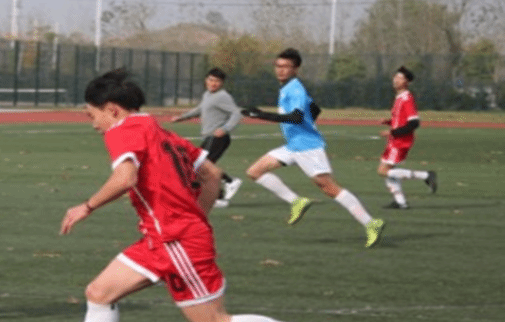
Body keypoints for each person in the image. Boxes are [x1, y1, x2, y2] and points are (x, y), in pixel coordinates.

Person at [32, 68, 353, 322]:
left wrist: (86, 206)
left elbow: (125, 178)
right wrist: (195, 218)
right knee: (99, 293)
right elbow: (211, 173)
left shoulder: (122, 131)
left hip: (176, 240)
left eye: (92, 115)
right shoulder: (159, 130)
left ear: (112, 110)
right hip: (165, 238)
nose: (93, 124)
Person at [242, 48, 385, 248]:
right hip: (294, 145)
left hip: (307, 147)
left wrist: (261, 115)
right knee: (254, 171)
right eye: (278, 66)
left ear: (295, 69)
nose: (280, 70)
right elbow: (315, 109)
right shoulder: (287, 88)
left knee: (328, 187)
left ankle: (371, 223)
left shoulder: (295, 89)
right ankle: (296, 201)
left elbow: (296, 117)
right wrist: (308, 123)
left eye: (286, 67)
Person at [171, 67, 243, 207]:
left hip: (217, 138)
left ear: (222, 83)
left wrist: (225, 128)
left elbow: (236, 113)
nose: (213, 83)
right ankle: (219, 196)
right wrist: (182, 117)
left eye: (217, 81)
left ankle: (229, 183)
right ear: (206, 80)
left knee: (203, 166)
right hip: (210, 138)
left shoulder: (222, 96)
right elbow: (199, 109)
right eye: (211, 80)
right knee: (202, 167)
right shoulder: (208, 95)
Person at [377, 66, 437, 209]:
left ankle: (426, 176)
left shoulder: (407, 99)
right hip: (395, 140)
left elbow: (414, 123)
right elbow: (400, 120)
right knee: (387, 171)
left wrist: (392, 133)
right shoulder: (399, 98)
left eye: (400, 78)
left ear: (407, 82)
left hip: (400, 141)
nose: (396, 80)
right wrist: (388, 122)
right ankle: (400, 202)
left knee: (383, 171)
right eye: (395, 77)